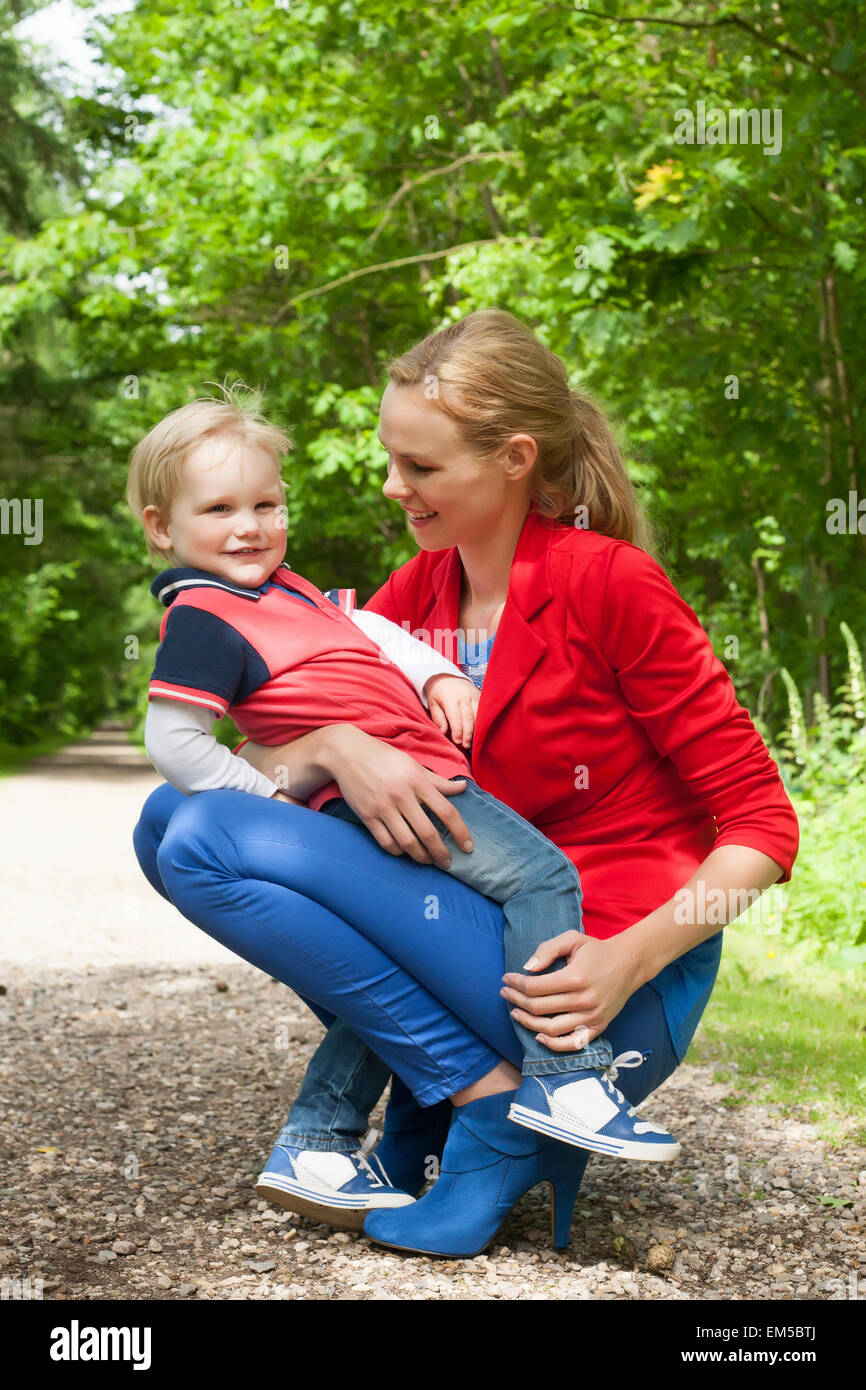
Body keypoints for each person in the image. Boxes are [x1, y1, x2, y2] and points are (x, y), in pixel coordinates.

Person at [133, 309, 799, 1259]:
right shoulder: (414, 599)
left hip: (596, 988)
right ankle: (465, 1090)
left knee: (200, 835)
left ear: (516, 458)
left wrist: (627, 963)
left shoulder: (611, 584)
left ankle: (491, 1112)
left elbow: (764, 828)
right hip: (468, 942)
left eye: (422, 467)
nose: (391, 484)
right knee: (172, 823)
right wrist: (332, 745)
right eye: (391, 457)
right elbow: (275, 786)